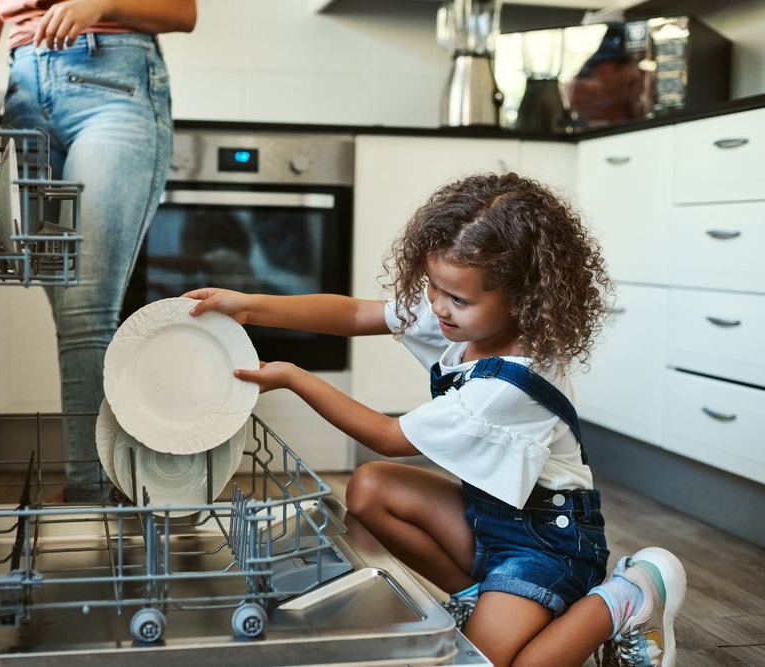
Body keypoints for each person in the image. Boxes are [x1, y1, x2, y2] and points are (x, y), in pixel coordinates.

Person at [183, 173, 686, 667]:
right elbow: (358, 314)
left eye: (457, 299)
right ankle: (481, 598)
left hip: (550, 544)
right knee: (370, 490)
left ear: (519, 300)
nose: (438, 307)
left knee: (487, 664)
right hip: (491, 518)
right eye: (432, 287)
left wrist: (295, 377)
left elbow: (387, 436)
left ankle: (626, 596)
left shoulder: (506, 385)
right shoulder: (464, 315)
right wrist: (250, 305)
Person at [0, 0, 196, 502]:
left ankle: (90, 494)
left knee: (86, 307)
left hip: (114, 90)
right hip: (26, 104)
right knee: (71, 309)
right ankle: (111, 485)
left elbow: (183, 11)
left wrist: (102, 4)